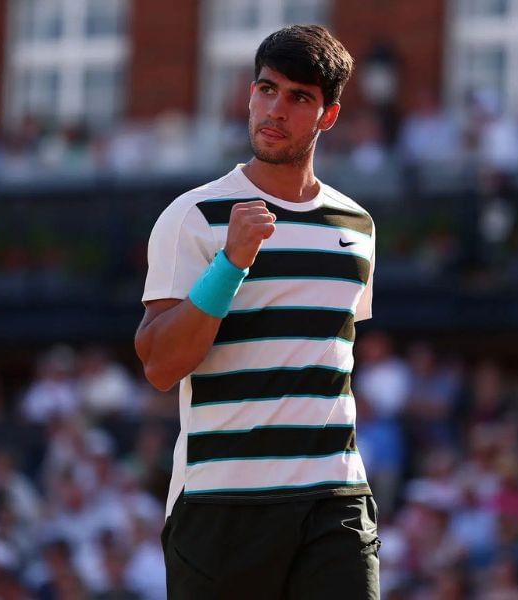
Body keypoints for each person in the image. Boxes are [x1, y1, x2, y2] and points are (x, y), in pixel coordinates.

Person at [134, 25, 380, 599]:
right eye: (268, 89)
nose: (276, 109)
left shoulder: (358, 227)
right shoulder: (192, 215)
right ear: (250, 94)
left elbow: (325, 359)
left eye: (299, 97)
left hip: (335, 501)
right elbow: (160, 365)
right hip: (222, 505)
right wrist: (231, 264)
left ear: (329, 116)